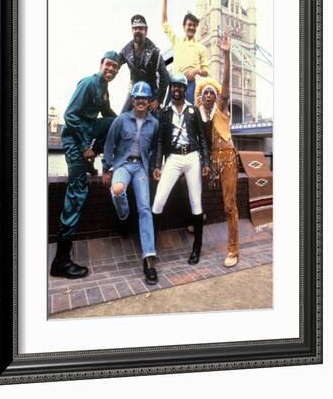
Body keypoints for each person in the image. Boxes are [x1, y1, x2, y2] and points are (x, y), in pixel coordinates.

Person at [50, 51, 120, 279]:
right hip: (73, 140)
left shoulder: (104, 89)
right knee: (77, 191)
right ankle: (61, 261)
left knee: (114, 123)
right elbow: (69, 115)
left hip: (85, 136)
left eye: (115, 68)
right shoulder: (89, 83)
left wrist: (128, 118)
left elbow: (109, 116)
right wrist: (84, 147)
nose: (110, 69)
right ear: (101, 64)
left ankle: (89, 161)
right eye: (108, 65)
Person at [102, 81, 159, 285]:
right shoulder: (121, 120)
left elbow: (155, 148)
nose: (140, 101)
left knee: (145, 208)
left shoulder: (154, 123)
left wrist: (154, 167)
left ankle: (149, 259)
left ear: (148, 100)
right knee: (117, 190)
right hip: (123, 165)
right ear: (133, 100)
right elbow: (109, 144)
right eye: (137, 98)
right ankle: (124, 214)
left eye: (144, 98)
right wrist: (106, 168)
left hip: (141, 168)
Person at [152, 73, 210, 264]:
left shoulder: (193, 110)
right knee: (159, 200)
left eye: (180, 87)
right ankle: (151, 246)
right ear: (171, 89)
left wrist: (206, 163)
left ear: (186, 89)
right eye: (174, 87)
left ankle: (197, 248)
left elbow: (202, 138)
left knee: (196, 202)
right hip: (173, 158)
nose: (177, 90)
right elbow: (160, 140)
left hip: (192, 157)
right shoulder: (165, 113)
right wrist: (157, 165)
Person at [195, 34, 240, 268]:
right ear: (201, 98)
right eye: (206, 93)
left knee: (229, 205)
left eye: (213, 92)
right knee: (191, 187)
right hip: (210, 161)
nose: (210, 95)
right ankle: (193, 221)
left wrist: (225, 54)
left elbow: (226, 83)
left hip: (227, 158)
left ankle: (233, 249)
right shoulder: (198, 116)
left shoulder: (221, 108)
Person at [162, 0, 209, 104]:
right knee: (168, 110)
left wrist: (196, 71)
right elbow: (164, 22)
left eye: (194, 25)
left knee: (187, 112)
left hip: (190, 84)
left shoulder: (201, 48)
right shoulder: (176, 42)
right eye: (189, 25)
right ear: (184, 26)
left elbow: (206, 71)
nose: (192, 27)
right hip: (174, 82)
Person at [119, 14, 169, 113]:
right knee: (122, 117)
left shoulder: (155, 52)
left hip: (151, 92)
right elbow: (114, 64)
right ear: (132, 31)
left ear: (146, 31)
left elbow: (165, 77)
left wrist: (158, 100)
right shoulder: (125, 51)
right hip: (134, 90)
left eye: (140, 28)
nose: (137, 31)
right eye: (135, 28)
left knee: (156, 120)